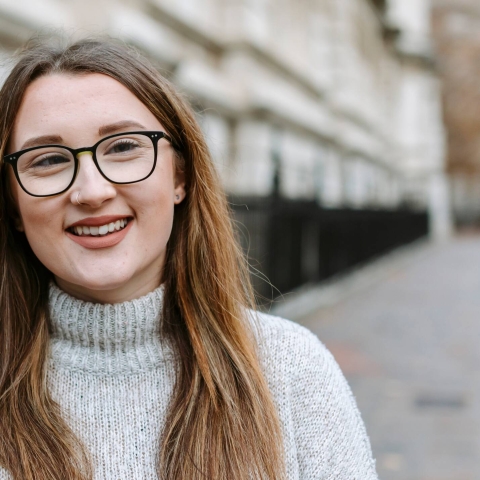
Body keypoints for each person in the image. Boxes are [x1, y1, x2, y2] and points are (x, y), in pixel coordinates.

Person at [0, 37, 378, 480]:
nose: (92, 192)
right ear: (12, 205)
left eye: (123, 147)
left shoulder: (291, 371)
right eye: (47, 160)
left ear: (179, 175)